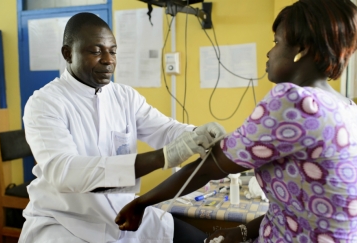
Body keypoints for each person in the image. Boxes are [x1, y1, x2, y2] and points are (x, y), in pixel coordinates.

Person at [115, 0, 357, 242]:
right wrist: (241, 232)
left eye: (276, 42)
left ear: (301, 49)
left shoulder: (294, 101)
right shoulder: (346, 107)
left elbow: (207, 169)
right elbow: (300, 208)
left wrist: (141, 202)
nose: (269, 52)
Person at [19, 12, 226, 243]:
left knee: (198, 240)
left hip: (124, 212)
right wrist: (163, 157)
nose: (108, 59)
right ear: (68, 54)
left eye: (113, 50)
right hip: (65, 221)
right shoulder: (45, 103)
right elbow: (65, 172)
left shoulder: (123, 96)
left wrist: (197, 134)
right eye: (96, 51)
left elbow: (165, 130)